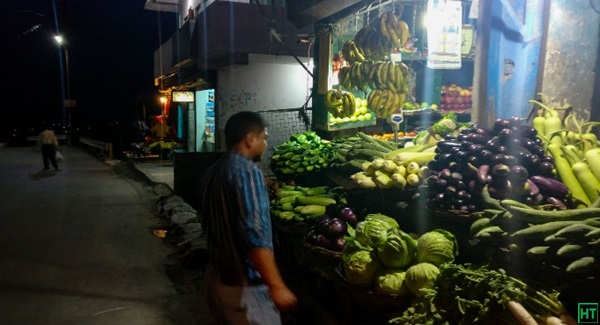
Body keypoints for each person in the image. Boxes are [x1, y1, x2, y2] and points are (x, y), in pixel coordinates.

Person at [199, 111, 297, 324]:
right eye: (264, 138)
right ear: (250, 139)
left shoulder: (212, 172)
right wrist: (277, 286)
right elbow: (254, 232)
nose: (265, 144)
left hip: (216, 280)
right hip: (246, 289)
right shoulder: (248, 172)